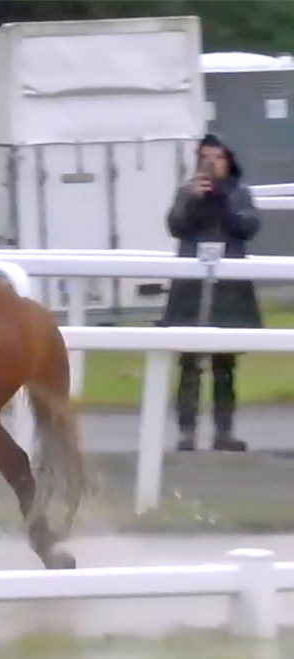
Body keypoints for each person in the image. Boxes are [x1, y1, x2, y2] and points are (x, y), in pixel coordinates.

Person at [161, 133, 262, 453]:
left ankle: (224, 431)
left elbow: (248, 227)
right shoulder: (187, 192)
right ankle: (187, 431)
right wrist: (193, 199)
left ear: (227, 160)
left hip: (229, 290)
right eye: (205, 157)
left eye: (217, 157)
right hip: (191, 289)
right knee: (189, 363)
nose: (211, 164)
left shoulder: (240, 193)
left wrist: (223, 201)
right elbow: (176, 226)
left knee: (225, 363)